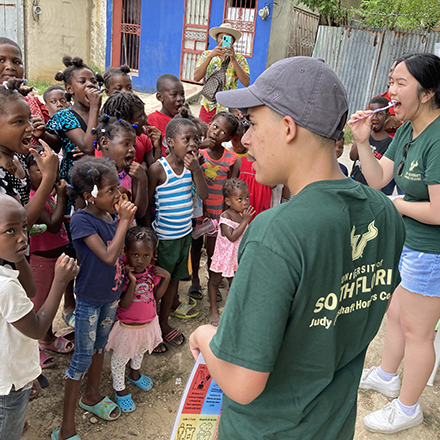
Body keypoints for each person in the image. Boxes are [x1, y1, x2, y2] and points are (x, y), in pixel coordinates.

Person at [189, 56, 406, 439]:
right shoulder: (384, 215)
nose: (247, 140)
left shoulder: (277, 232)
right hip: (333, 426)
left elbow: (242, 382)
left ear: (288, 128)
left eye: (253, 124)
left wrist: (204, 337)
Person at [348, 52, 440, 434]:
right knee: (395, 315)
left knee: (419, 332)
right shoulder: (407, 129)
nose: (391, 90)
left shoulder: (437, 138)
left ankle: (408, 407)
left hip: (430, 254)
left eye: (401, 82)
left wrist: (397, 204)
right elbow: (379, 177)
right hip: (407, 243)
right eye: (391, 81)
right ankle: (387, 375)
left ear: (429, 92)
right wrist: (363, 142)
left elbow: (438, 211)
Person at [54, 157, 137, 440]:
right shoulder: (81, 219)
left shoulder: (107, 215)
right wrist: (124, 220)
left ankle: (92, 395)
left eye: (117, 188)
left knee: (101, 347)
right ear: (90, 196)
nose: (118, 195)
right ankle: (66, 428)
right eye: (111, 190)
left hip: (110, 296)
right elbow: (107, 255)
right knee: (82, 357)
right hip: (89, 299)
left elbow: (116, 254)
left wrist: (121, 220)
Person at [0, 193, 78, 440]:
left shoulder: (5, 268)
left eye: (24, 227)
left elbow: (31, 290)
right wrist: (60, 281)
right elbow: (36, 329)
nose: (23, 236)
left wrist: (18, 253)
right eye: (10, 231)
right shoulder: (5, 288)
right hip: (8, 386)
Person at [147, 118, 208, 352]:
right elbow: (147, 205)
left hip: (184, 237)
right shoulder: (158, 169)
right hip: (164, 240)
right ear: (170, 142)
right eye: (187, 139)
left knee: (173, 283)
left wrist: (197, 171)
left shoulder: (193, 167)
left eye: (196, 140)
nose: (193, 144)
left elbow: (202, 194)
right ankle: (149, 326)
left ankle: (163, 324)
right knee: (156, 285)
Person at [106, 226, 170, 412]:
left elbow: (155, 296)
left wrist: (166, 277)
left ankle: (134, 374)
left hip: (148, 323)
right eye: (135, 255)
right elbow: (124, 305)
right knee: (119, 360)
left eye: (145, 256)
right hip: (128, 327)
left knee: (141, 351)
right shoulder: (124, 274)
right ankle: (120, 390)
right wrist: (132, 281)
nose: (140, 260)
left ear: (152, 255)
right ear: (126, 252)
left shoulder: (151, 272)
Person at [26, 148, 72, 369]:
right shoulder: (35, 197)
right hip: (41, 260)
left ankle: (48, 338)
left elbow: (56, 219)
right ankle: (35, 347)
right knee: (39, 305)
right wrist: (62, 196)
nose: (46, 174)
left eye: (50, 170)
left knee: (51, 302)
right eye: (39, 169)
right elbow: (52, 226)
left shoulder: (47, 195)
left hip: (54, 257)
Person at [188, 112, 239, 302]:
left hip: (217, 214)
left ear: (229, 138)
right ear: (209, 125)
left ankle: (212, 282)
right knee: (194, 246)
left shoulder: (231, 159)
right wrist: (199, 148)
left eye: (224, 132)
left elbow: (231, 190)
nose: (217, 133)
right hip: (197, 210)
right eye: (215, 126)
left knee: (212, 251)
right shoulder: (196, 153)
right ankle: (194, 280)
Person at [208, 178, 254, 325]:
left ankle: (234, 310)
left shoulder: (242, 214)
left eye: (246, 198)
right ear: (228, 201)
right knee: (215, 281)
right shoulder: (226, 217)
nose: (245, 202)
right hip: (224, 257)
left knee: (235, 284)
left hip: (237, 257)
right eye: (239, 199)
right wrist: (245, 221)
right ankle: (213, 310)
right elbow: (232, 236)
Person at [93, 115, 148, 220]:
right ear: (105, 143)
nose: (132, 150)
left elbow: (139, 213)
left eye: (133, 145)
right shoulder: (95, 176)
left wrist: (142, 181)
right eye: (126, 144)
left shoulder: (131, 174)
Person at [194, 23, 250, 124]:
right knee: (204, 134)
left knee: (225, 137)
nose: (224, 41)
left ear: (233, 41)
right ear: (217, 39)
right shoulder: (206, 55)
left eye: (228, 39)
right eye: (222, 38)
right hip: (209, 105)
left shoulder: (240, 59)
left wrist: (233, 59)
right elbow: (196, 77)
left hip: (229, 107)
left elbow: (246, 82)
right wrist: (210, 57)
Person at [102, 91, 161, 167]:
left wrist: (158, 148)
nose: (146, 118)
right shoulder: (107, 146)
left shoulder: (144, 139)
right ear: (126, 121)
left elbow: (154, 172)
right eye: (141, 115)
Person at [350, 96, 395, 195]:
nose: (374, 118)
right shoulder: (363, 135)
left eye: (379, 114)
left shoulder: (391, 143)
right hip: (355, 186)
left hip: (373, 193)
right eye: (371, 113)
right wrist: (363, 138)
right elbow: (352, 156)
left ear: (387, 116)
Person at [147, 74, 186, 156]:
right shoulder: (151, 121)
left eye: (182, 94)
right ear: (159, 97)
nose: (180, 99)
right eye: (173, 95)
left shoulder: (185, 119)